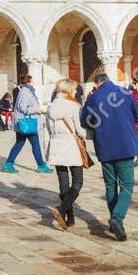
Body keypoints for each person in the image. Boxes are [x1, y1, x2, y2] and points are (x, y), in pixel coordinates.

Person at [81, 73, 138, 241]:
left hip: (105, 147)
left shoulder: (93, 97)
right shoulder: (124, 92)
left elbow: (85, 122)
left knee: (110, 185)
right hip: (125, 145)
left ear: (97, 83)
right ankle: (117, 218)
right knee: (127, 184)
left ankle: (115, 220)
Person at [41, 78, 89, 231]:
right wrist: (94, 134)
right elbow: (79, 130)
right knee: (78, 181)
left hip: (57, 146)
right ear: (69, 90)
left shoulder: (50, 107)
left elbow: (47, 132)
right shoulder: (74, 106)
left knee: (63, 183)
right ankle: (62, 210)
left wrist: (48, 150)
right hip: (71, 146)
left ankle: (70, 218)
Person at [0, 73, 50, 174]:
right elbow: (23, 108)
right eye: (33, 80)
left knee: (20, 143)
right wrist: (37, 110)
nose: (34, 82)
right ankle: (41, 165)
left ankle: (9, 163)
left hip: (24, 122)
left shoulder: (27, 91)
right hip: (27, 122)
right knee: (35, 143)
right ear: (29, 81)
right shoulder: (25, 92)